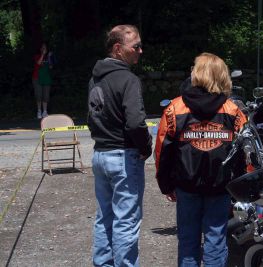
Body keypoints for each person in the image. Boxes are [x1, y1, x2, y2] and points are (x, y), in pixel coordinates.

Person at [155, 52, 247, 267]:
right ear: (222, 75)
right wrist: (241, 185)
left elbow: (162, 150)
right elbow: (245, 151)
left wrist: (166, 184)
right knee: (216, 241)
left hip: (186, 186)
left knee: (188, 241)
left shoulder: (174, 108)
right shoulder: (232, 110)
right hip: (220, 187)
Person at [87, 24, 152, 267]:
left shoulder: (95, 79)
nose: (140, 50)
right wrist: (145, 147)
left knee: (104, 216)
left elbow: (91, 117)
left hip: (100, 155)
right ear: (118, 49)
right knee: (126, 220)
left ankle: (103, 264)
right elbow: (136, 122)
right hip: (123, 156)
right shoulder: (128, 79)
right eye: (135, 46)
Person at [32, 42, 53, 119]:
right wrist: (43, 55)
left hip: (46, 78)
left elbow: (51, 67)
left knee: (46, 96)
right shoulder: (37, 56)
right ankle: (39, 111)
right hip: (37, 78)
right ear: (40, 49)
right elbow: (38, 63)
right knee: (39, 95)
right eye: (43, 48)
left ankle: (45, 111)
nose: (44, 49)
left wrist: (49, 57)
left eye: (45, 48)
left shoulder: (48, 57)